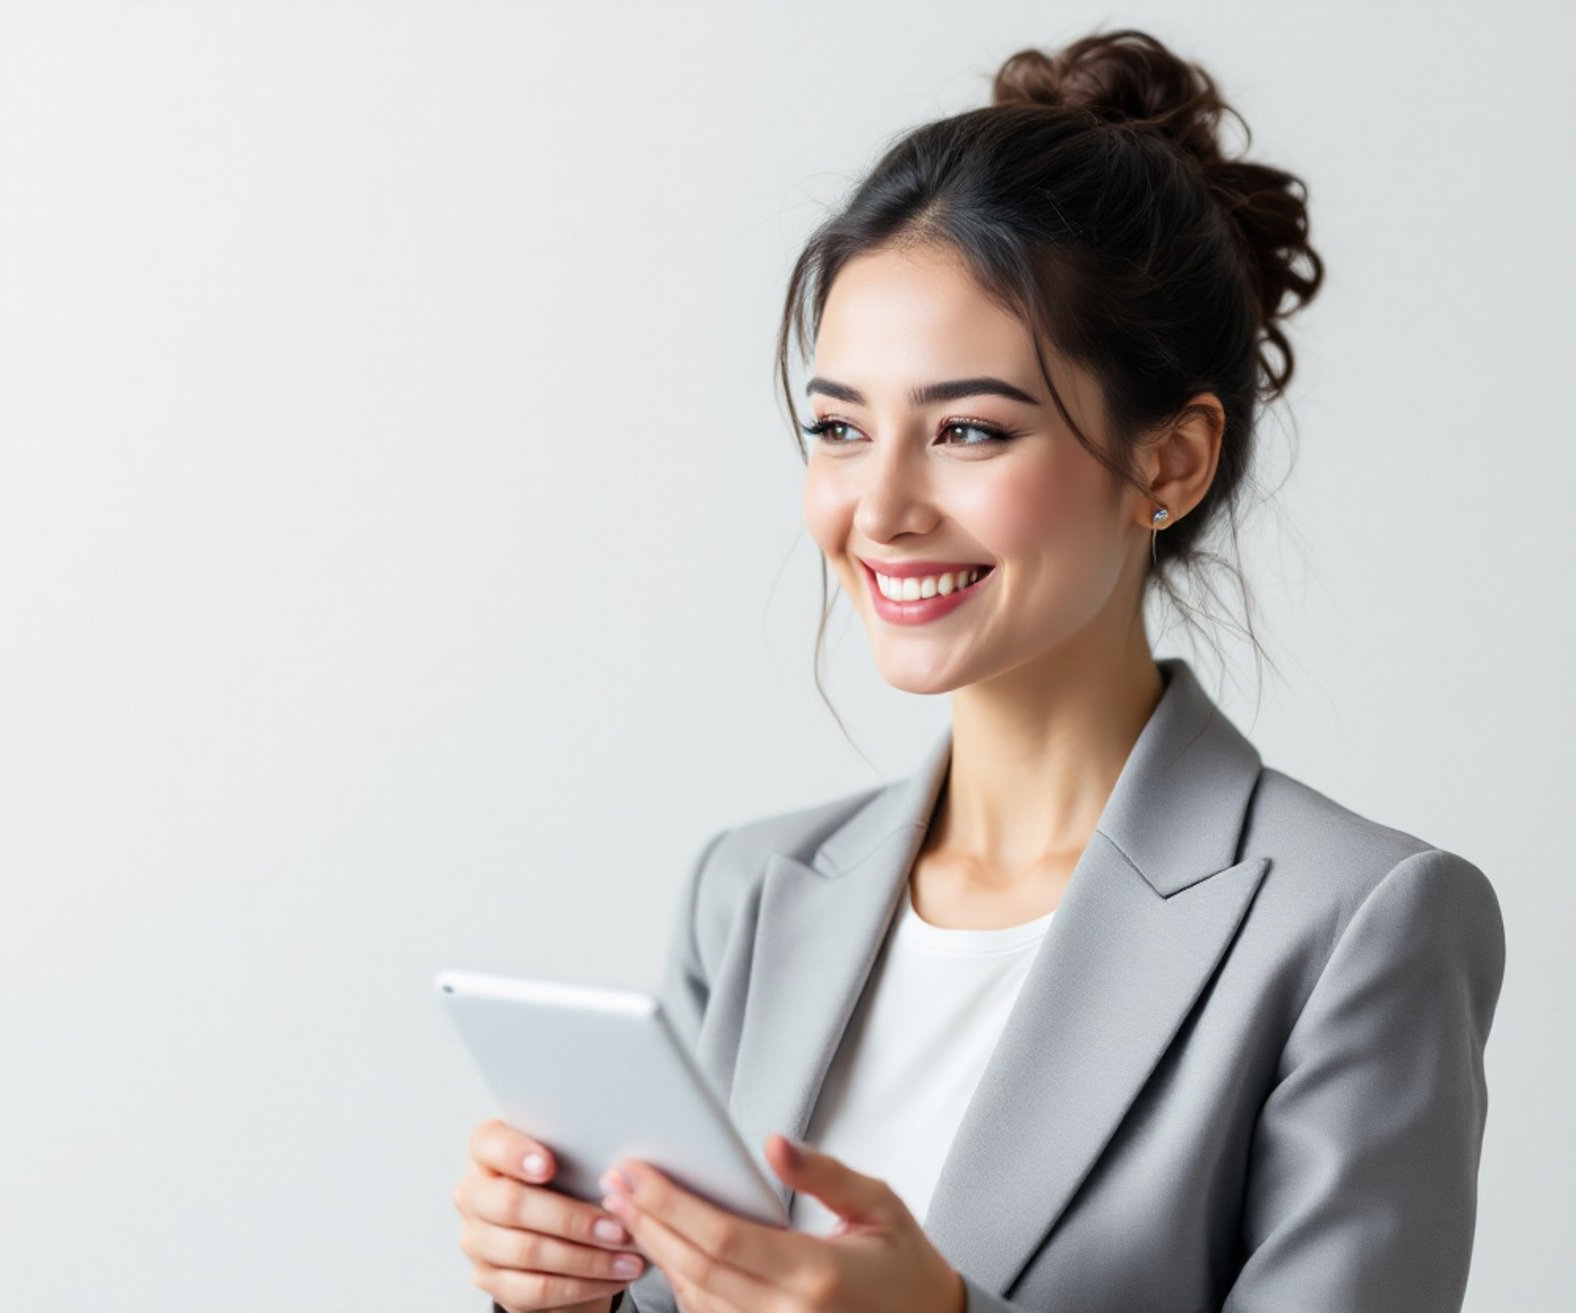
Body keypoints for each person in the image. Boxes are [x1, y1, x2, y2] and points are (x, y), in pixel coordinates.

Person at [452, 26, 1506, 1313]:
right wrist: (556, 1291)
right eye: (839, 427)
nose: (880, 505)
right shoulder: (753, 892)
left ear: (1169, 464)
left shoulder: (1357, 926)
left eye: (966, 430)